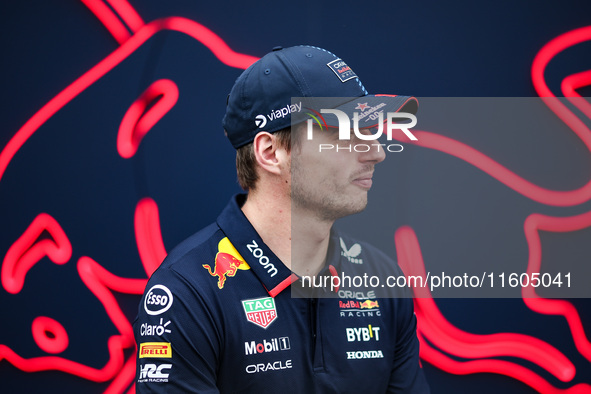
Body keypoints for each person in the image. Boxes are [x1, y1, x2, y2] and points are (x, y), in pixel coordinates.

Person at [134, 45, 429, 393]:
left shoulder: (383, 280)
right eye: (347, 132)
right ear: (271, 153)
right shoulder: (188, 293)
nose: (376, 151)